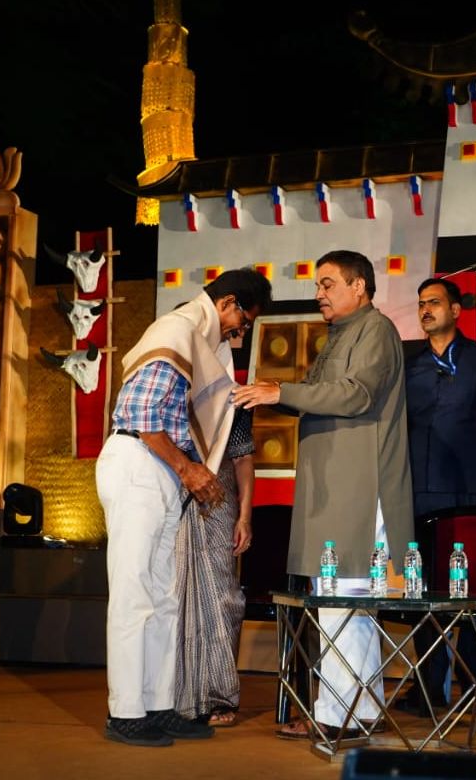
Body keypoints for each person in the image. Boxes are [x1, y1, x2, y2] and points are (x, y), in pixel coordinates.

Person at [233, 249, 414, 739]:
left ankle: (339, 716)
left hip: (359, 490)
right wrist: (273, 393)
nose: (319, 294)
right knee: (345, 605)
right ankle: (361, 710)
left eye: (328, 284)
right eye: (317, 285)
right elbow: (316, 396)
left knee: (341, 605)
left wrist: (280, 392)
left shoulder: (375, 330)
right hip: (337, 489)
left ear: (359, 286)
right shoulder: (341, 334)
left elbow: (357, 393)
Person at [97, 268, 270, 747]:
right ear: (228, 303)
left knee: (165, 598)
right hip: (138, 461)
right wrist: (188, 469)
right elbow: (141, 415)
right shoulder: (176, 330)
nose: (239, 333)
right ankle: (125, 712)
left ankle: (158, 705)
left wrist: (184, 470)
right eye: (242, 322)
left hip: (163, 471)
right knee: (134, 594)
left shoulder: (198, 340)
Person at [399, 277, 476, 713]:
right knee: (424, 592)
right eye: (421, 303)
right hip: (418, 493)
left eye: (434, 302)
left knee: (472, 593)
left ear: (456, 310)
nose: (425, 310)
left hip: (472, 493)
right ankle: (428, 689)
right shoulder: (408, 364)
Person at [172, 407, 254, 728]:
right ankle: (173, 694)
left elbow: (243, 459)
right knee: (172, 594)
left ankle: (219, 696)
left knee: (222, 598)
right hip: (172, 496)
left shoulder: (234, 399)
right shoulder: (172, 391)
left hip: (218, 500)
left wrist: (244, 517)